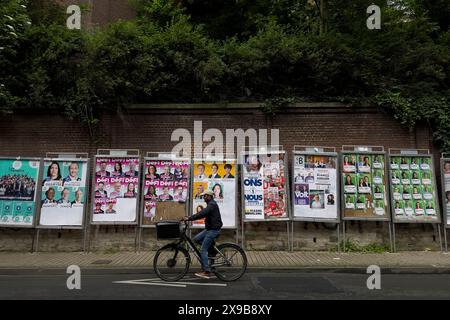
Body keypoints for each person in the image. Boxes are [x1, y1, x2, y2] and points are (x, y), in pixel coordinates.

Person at [183, 190, 223, 279]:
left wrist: (190, 218)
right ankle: (212, 251)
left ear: (209, 196)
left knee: (203, 250)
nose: (203, 198)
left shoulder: (212, 205)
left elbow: (202, 213)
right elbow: (203, 213)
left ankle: (206, 271)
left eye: (204, 196)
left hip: (213, 230)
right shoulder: (210, 204)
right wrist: (190, 218)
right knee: (196, 239)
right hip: (209, 229)